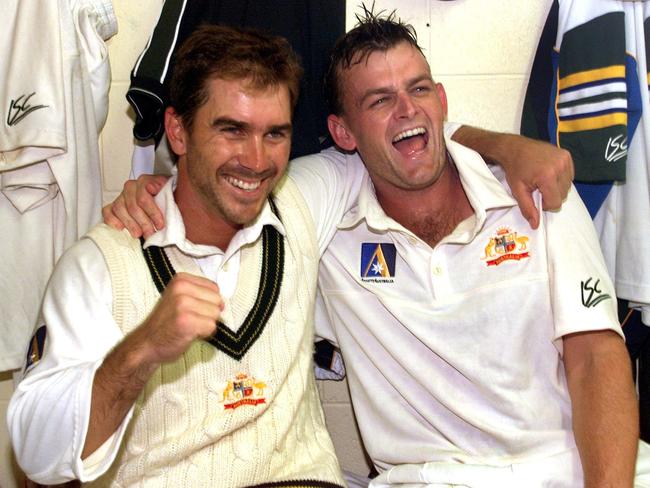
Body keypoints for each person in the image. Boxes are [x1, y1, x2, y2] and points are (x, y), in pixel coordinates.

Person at [103, 11, 650, 488]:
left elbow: (597, 359)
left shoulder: (535, 189)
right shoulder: (324, 204)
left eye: (417, 90)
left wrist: (499, 143)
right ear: (342, 132)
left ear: (440, 100)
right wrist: (162, 190)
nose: (406, 111)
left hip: (577, 467)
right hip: (430, 479)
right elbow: (233, 184)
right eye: (379, 101)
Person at [7, 25, 347, 487]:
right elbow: (36, 455)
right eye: (233, 130)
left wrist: (479, 143)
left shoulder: (301, 204)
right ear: (178, 131)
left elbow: (397, 140)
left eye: (275, 134)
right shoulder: (101, 265)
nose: (256, 159)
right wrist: (142, 350)